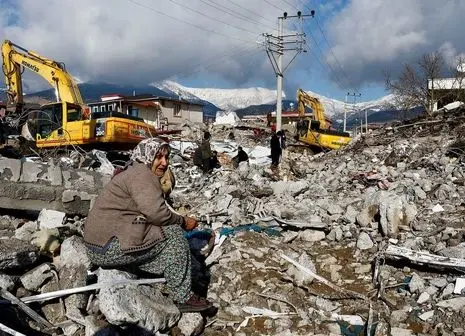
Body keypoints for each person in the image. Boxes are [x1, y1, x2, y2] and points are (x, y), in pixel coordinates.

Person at [83, 138, 213, 313]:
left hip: (98, 246)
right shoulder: (142, 176)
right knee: (173, 234)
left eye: (167, 157)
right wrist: (183, 222)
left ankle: (158, 272)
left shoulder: (133, 171)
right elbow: (157, 214)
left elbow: (150, 210)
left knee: (156, 233)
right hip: (107, 248)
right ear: (147, 156)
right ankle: (182, 297)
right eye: (158, 157)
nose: (164, 163)